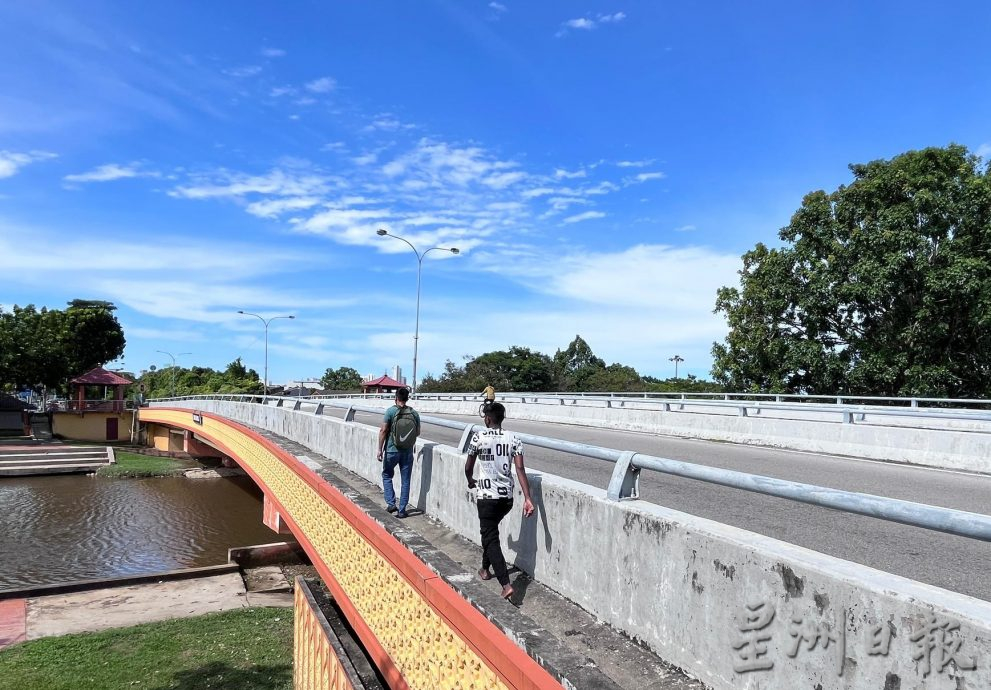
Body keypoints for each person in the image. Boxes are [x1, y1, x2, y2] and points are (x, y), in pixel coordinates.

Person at [464, 402, 535, 599]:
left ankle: (505, 584)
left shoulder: (478, 437)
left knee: (490, 537)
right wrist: (527, 498)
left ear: (487, 418)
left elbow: (468, 467)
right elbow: (520, 469)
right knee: (490, 533)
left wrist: (471, 481)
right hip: (506, 499)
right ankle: (485, 569)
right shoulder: (514, 438)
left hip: (487, 497)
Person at [377, 387, 420, 518]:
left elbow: (383, 430)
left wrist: (379, 449)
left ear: (396, 397)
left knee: (386, 475)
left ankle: (391, 504)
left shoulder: (390, 411)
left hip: (391, 450)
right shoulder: (414, 413)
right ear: (407, 398)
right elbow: (417, 432)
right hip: (407, 452)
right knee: (405, 480)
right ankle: (402, 511)